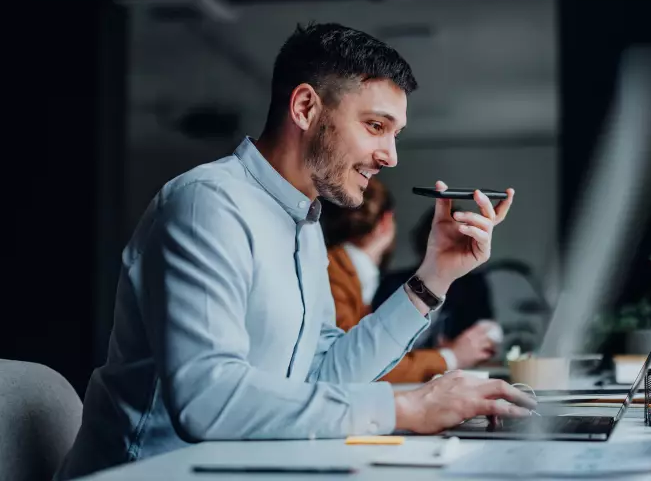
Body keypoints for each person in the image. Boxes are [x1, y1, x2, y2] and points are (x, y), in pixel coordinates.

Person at [55, 23, 533, 480]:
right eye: (375, 125)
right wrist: (406, 407)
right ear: (305, 107)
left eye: (395, 134)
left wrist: (435, 277)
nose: (391, 155)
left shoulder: (304, 225)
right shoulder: (207, 203)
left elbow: (323, 374)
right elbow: (206, 398)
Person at [321, 178, 498, 382]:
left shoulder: (353, 275)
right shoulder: (334, 273)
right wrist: (451, 357)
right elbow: (356, 364)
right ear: (387, 221)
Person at [374, 207, 497, 347]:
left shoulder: (473, 285)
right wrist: (447, 355)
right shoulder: (392, 282)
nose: (448, 248)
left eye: (456, 241)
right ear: (424, 239)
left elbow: (489, 333)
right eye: (441, 239)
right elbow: (378, 339)